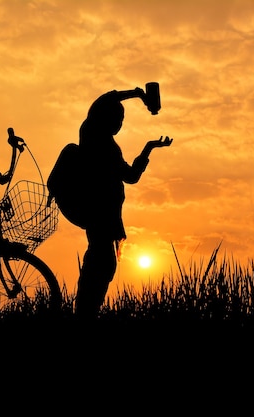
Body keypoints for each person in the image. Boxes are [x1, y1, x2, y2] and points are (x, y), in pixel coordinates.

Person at [75, 87, 173, 319]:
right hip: (99, 212)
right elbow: (104, 100)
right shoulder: (92, 135)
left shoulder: (109, 145)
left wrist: (148, 149)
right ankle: (84, 313)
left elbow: (130, 177)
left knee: (103, 264)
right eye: (116, 118)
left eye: (122, 119)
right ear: (104, 118)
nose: (119, 123)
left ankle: (87, 311)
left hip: (109, 215)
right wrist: (137, 93)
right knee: (100, 263)